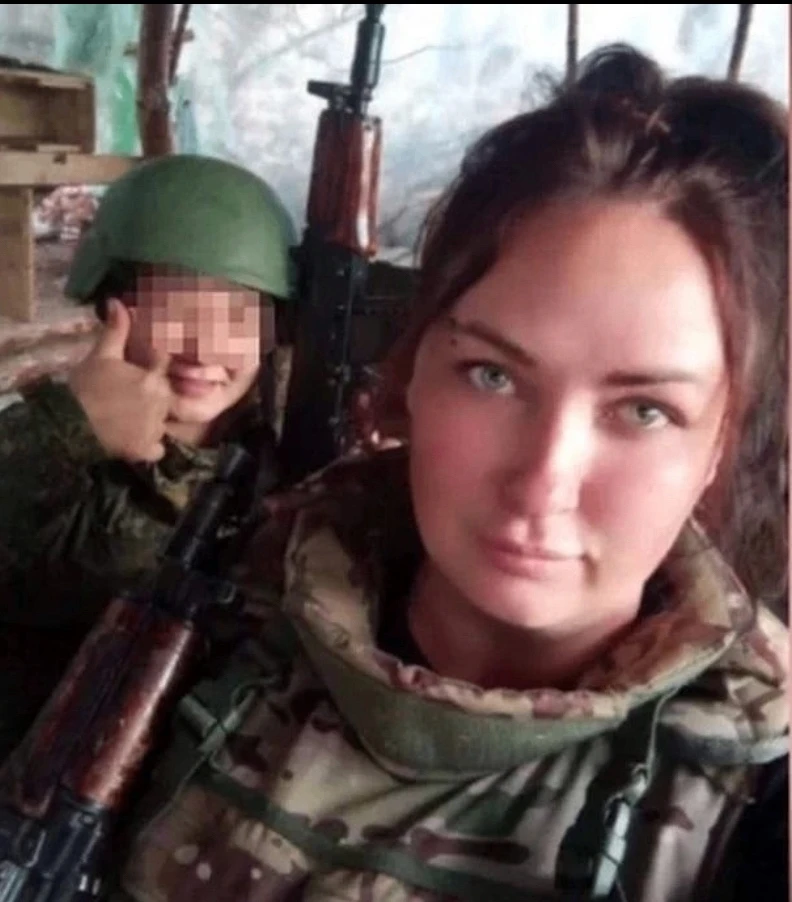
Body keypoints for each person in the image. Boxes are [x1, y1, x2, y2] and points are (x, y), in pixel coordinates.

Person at [13, 44, 789, 901]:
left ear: (720, 444)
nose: (545, 483)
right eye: (492, 376)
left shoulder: (755, 797)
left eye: (644, 411)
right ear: (411, 371)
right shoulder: (224, 596)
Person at [0, 153, 298, 761]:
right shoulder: (53, 449)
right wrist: (68, 427)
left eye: (239, 316)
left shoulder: (277, 466)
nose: (204, 347)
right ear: (109, 305)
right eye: (173, 309)